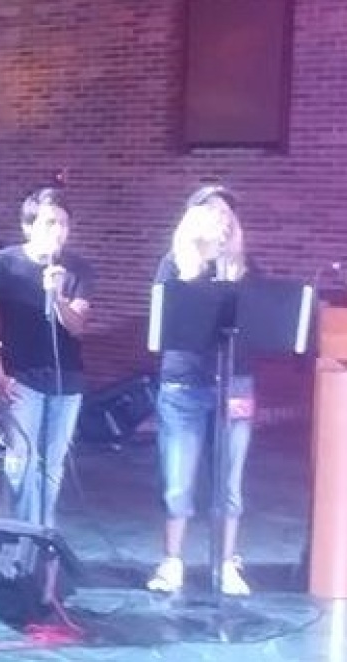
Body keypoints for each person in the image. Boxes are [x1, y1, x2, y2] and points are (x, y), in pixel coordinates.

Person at [146, 185, 254, 596]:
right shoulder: (173, 265)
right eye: (213, 211)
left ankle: (226, 563)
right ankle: (172, 561)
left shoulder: (244, 267)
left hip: (234, 383)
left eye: (227, 213)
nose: (222, 219)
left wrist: (231, 275)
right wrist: (198, 276)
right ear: (194, 218)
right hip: (183, 384)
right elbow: (164, 323)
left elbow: (257, 321)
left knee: (230, 482)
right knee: (178, 479)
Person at [0, 185, 94, 528]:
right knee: (22, 459)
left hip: (66, 377)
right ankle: (26, 530)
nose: (57, 230)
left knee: (52, 463)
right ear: (28, 226)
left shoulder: (78, 269)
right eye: (49, 223)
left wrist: (57, 297)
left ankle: (43, 529)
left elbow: (77, 327)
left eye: (63, 223)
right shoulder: (4, 263)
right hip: (20, 375)